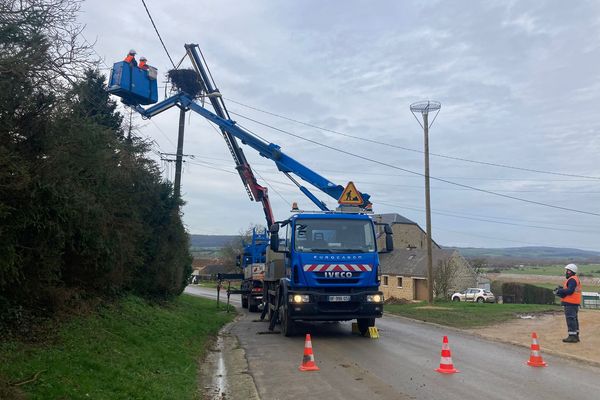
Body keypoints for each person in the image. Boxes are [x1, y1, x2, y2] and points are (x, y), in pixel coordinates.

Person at [554, 263, 582, 343]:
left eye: (568, 270)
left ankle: (572, 337)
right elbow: (570, 290)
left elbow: (570, 291)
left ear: (571, 271)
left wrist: (559, 291)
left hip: (570, 303)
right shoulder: (575, 279)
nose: (566, 272)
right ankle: (575, 336)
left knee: (570, 319)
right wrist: (563, 289)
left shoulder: (572, 279)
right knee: (574, 319)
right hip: (574, 302)